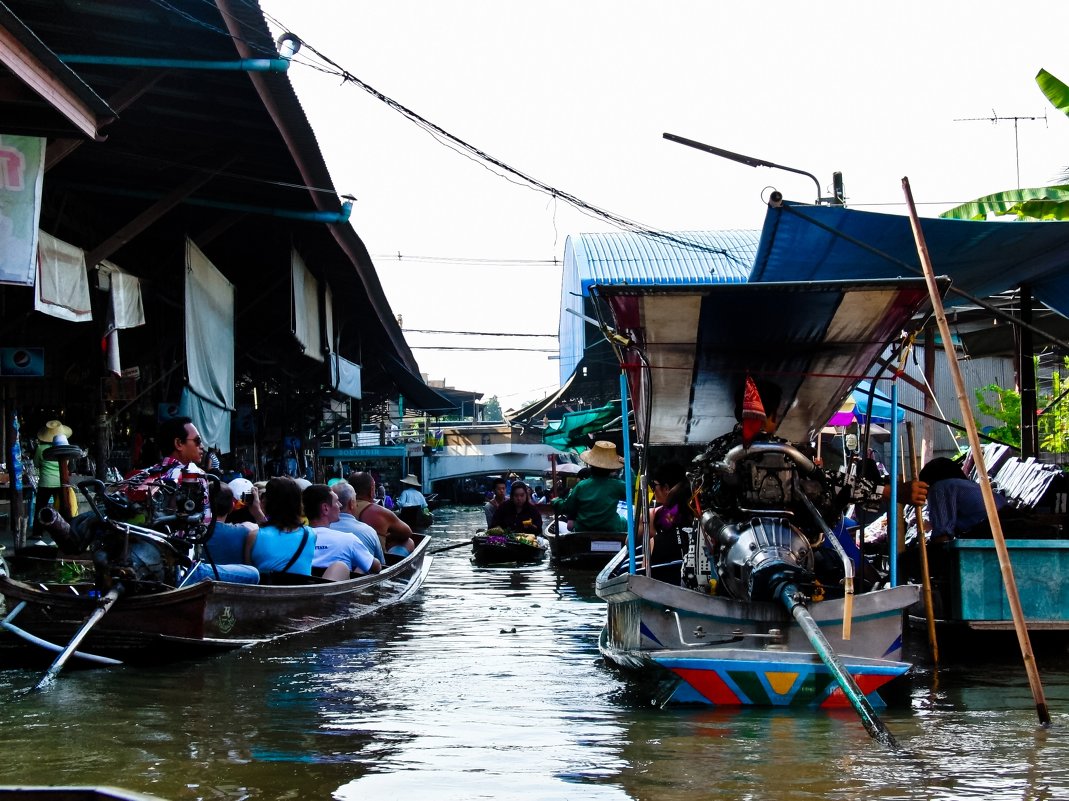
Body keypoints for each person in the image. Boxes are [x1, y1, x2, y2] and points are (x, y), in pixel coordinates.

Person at [182, 483, 260, 585]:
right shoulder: (247, 531)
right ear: (232, 507)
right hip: (232, 591)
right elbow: (266, 532)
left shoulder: (188, 533)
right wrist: (257, 512)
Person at [244, 476, 317, 579]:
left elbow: (249, 575)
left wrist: (258, 513)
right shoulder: (311, 534)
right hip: (302, 593)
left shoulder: (253, 537)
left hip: (267, 593)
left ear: (266, 501)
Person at [919, 456, 1006, 540]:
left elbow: (942, 534)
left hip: (995, 532)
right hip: (1011, 528)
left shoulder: (939, 488)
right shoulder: (970, 486)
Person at [303, 483, 378, 578]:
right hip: (334, 590)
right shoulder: (349, 540)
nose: (340, 505)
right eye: (337, 501)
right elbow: (376, 567)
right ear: (325, 508)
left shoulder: (294, 539)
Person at [551, 441, 627, 533]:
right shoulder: (618, 485)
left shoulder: (582, 486)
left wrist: (556, 501)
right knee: (624, 521)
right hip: (611, 528)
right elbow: (634, 493)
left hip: (583, 529)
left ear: (591, 465)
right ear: (611, 469)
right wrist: (627, 466)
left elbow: (567, 507)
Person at [349, 471, 416, 556]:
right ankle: (393, 564)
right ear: (372, 490)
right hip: (375, 562)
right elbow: (407, 532)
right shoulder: (378, 511)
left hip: (348, 558)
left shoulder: (340, 509)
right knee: (408, 542)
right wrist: (386, 536)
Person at [648, 462, 691, 567]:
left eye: (654, 485)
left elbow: (629, 542)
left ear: (666, 488)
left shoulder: (656, 515)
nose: (653, 490)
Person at [32, 419, 71, 535]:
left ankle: (37, 533)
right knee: (64, 507)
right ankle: (65, 531)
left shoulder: (40, 448)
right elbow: (66, 464)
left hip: (45, 482)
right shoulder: (64, 447)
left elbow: (36, 464)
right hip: (61, 482)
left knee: (40, 507)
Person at [331, 480, 386, 562]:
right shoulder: (368, 531)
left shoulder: (317, 531)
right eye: (355, 500)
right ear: (351, 504)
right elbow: (381, 563)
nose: (357, 504)